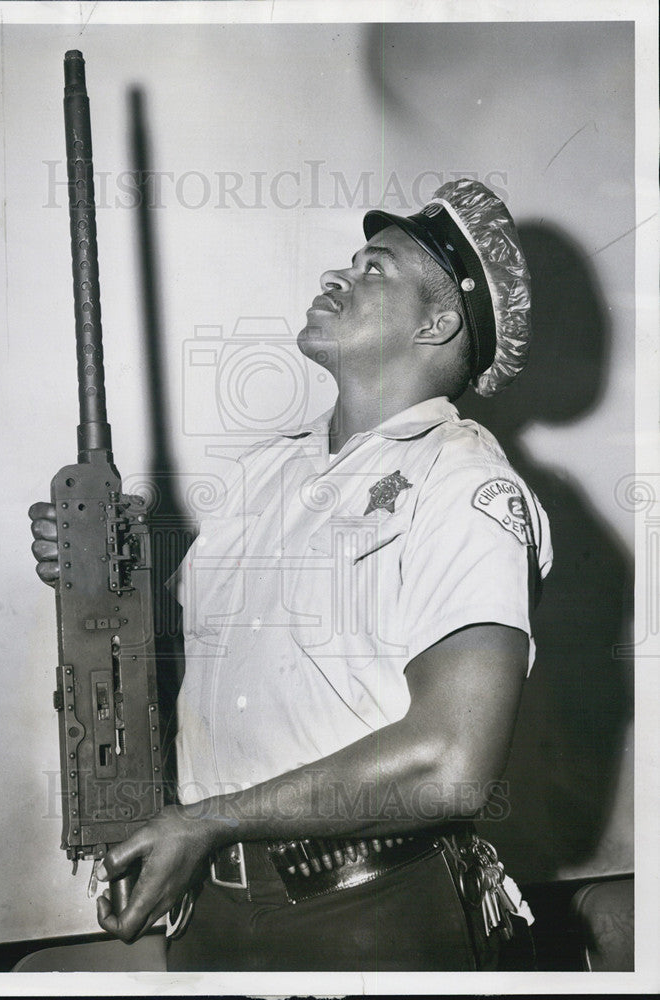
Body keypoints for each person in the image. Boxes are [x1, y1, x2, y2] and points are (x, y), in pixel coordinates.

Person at [30, 178, 551, 971]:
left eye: (374, 268)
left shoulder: (465, 484)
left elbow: (453, 764)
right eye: (349, 260)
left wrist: (212, 821)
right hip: (208, 912)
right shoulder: (263, 476)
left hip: (370, 919)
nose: (337, 276)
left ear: (438, 322)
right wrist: (109, 575)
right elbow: (195, 667)